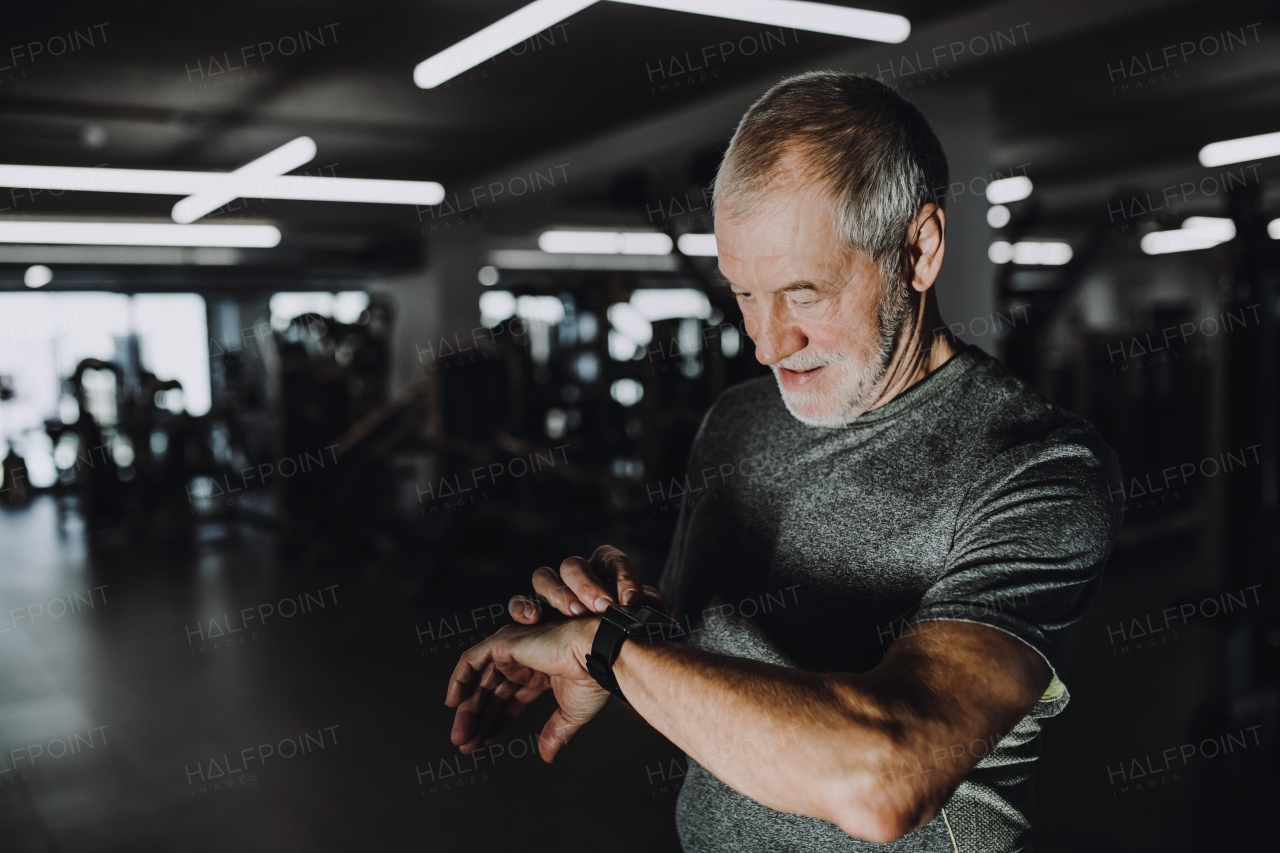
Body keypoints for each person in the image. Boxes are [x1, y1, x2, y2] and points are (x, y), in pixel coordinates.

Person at [445, 71, 1123, 852]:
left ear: (919, 249)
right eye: (744, 293)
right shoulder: (735, 420)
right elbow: (707, 661)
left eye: (803, 294)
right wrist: (625, 626)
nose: (767, 344)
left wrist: (613, 650)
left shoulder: (1037, 468)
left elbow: (884, 779)